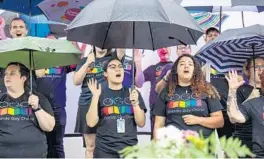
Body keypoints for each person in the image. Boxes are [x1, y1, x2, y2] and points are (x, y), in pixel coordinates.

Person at [86, 57, 146, 158]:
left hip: (129, 150)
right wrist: (95, 97)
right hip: (105, 150)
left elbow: (141, 123)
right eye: (112, 67)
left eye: (120, 67)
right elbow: (91, 123)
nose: (117, 69)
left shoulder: (133, 93)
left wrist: (135, 103)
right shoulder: (99, 93)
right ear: (105, 73)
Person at [153, 54, 224, 139]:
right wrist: (158, 147)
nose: (186, 66)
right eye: (182, 64)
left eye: (190, 64)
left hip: (202, 148)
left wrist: (198, 120)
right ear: (176, 70)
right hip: (175, 147)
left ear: (195, 70)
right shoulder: (165, 93)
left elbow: (220, 121)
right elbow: (159, 125)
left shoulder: (207, 90)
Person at [73, 46, 123, 158]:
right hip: (86, 104)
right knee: (90, 146)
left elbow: (121, 48)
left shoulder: (113, 58)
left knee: (109, 145)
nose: (102, 44)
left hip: (107, 105)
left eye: (106, 42)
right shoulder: (85, 60)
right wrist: (87, 63)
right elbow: (76, 81)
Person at [0, 62, 55, 158]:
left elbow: (49, 127)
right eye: (6, 74)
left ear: (23, 78)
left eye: (12, 73)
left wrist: (37, 108)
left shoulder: (38, 98)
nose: (7, 77)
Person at [35, 34, 76, 158]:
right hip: (41, 108)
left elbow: (75, 62)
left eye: (53, 43)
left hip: (58, 108)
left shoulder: (62, 60)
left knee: (57, 144)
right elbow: (37, 74)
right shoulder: (37, 61)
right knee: (43, 144)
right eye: (47, 43)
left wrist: (72, 45)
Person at [227, 57, 264, 150]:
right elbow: (233, 118)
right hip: (244, 141)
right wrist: (250, 98)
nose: (260, 69)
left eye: (263, 66)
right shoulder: (239, 89)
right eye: (256, 66)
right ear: (247, 71)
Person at [136, 47, 172, 139]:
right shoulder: (153, 68)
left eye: (167, 47)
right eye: (161, 47)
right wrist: (138, 63)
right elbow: (138, 82)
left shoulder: (176, 66)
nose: (164, 49)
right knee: (156, 137)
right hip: (155, 107)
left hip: (172, 106)